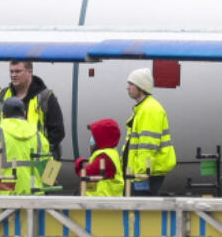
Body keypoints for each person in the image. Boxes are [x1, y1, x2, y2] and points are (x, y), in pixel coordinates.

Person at [0, 60, 65, 159]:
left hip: (39, 160)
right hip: (7, 159)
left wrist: (42, 152)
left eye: (18, 71)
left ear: (29, 72)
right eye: (11, 72)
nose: (13, 75)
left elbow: (57, 132)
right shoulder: (0, 97)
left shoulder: (46, 98)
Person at [0, 97, 50, 195]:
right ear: (24, 114)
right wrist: (42, 189)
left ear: (3, 115)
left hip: (3, 199)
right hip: (34, 201)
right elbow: (50, 173)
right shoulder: (40, 138)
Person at [122, 68, 176, 196]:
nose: (127, 87)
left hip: (145, 174)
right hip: (140, 173)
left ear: (140, 87)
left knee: (140, 212)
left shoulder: (149, 110)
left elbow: (148, 146)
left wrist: (141, 174)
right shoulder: (143, 109)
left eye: (131, 84)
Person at [74, 118, 124, 196]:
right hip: (102, 201)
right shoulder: (109, 153)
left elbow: (85, 173)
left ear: (102, 137)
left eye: (94, 136)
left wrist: (79, 162)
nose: (91, 139)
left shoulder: (105, 157)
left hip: (103, 203)